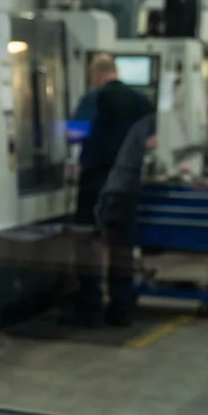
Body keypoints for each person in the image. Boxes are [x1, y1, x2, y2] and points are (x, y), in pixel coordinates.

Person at [72, 53, 155, 326]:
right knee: (121, 245)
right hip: (127, 182)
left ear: (95, 76)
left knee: (90, 244)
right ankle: (122, 309)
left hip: (97, 181)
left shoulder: (94, 98)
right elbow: (153, 141)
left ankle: (90, 308)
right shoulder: (141, 100)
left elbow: (73, 133)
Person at [93, 113, 158, 327]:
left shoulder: (151, 124)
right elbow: (152, 151)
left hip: (124, 193)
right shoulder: (151, 125)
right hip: (119, 196)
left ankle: (122, 303)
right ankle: (120, 309)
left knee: (123, 254)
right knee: (121, 254)